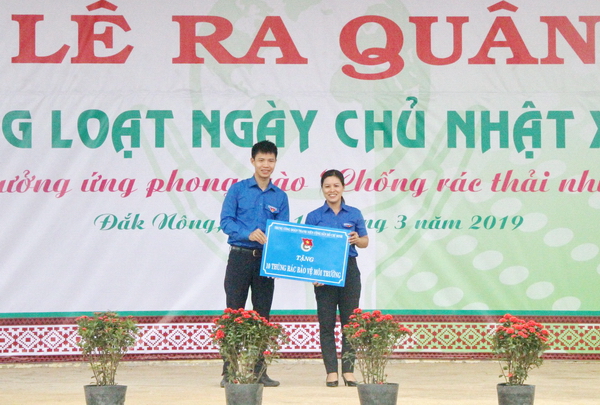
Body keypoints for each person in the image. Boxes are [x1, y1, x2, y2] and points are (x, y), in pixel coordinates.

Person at [219, 140, 289, 387]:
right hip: (239, 257)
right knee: (233, 314)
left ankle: (259, 372)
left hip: (265, 263)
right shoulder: (237, 190)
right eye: (261, 160)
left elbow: (283, 233)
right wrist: (248, 233)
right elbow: (226, 222)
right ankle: (229, 372)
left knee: (262, 316)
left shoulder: (280, 196)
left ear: (275, 162)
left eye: (270, 160)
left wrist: (279, 256)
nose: (266, 165)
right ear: (252, 161)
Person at [305, 169, 369, 387]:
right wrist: (313, 272)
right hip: (323, 272)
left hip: (349, 271)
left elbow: (365, 241)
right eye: (327, 186)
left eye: (336, 186)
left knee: (350, 323)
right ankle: (331, 371)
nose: (332, 190)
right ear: (322, 189)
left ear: (343, 187)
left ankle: (348, 371)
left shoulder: (354, 213)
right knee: (326, 323)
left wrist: (357, 239)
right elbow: (307, 247)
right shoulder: (314, 216)